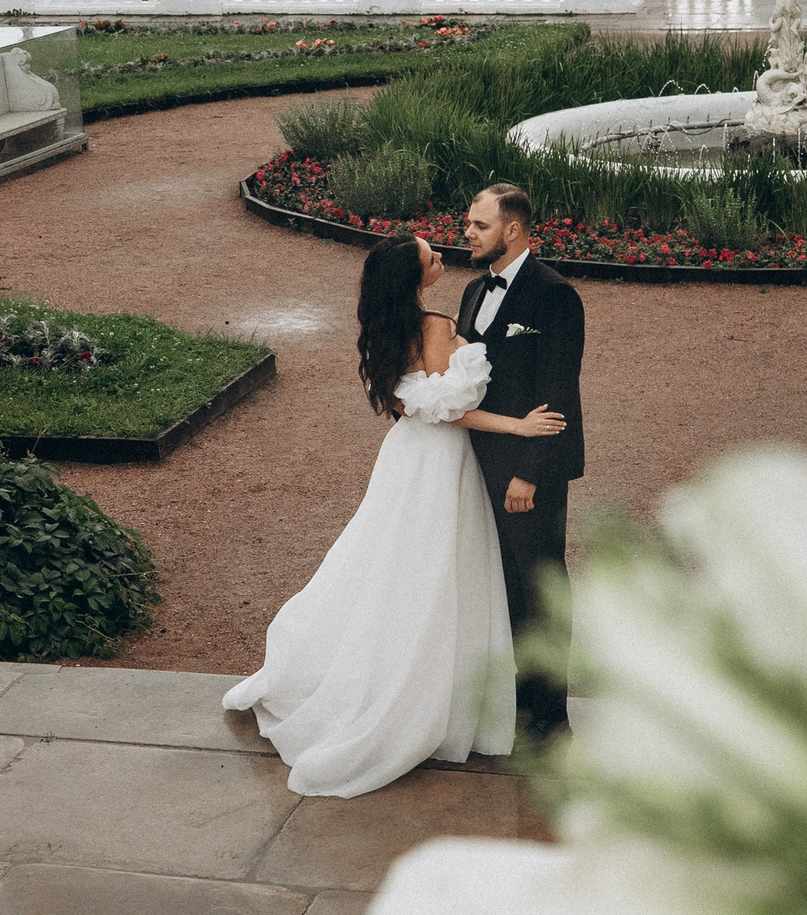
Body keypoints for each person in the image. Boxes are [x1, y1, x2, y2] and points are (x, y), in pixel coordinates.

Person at [225, 235, 567, 796]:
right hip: (439, 460)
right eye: (431, 257)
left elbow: (414, 404)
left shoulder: (386, 327)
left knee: (395, 565)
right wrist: (518, 427)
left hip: (406, 458)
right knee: (435, 572)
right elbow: (448, 410)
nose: (440, 258)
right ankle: (425, 701)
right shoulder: (432, 325)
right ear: (415, 277)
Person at [455, 184, 585, 735]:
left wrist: (527, 473)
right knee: (499, 583)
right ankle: (514, 695)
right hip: (476, 462)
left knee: (538, 585)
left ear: (513, 231)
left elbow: (556, 394)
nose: (467, 233)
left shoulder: (554, 296)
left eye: (479, 226)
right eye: (468, 223)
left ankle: (550, 714)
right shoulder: (469, 291)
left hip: (527, 471)